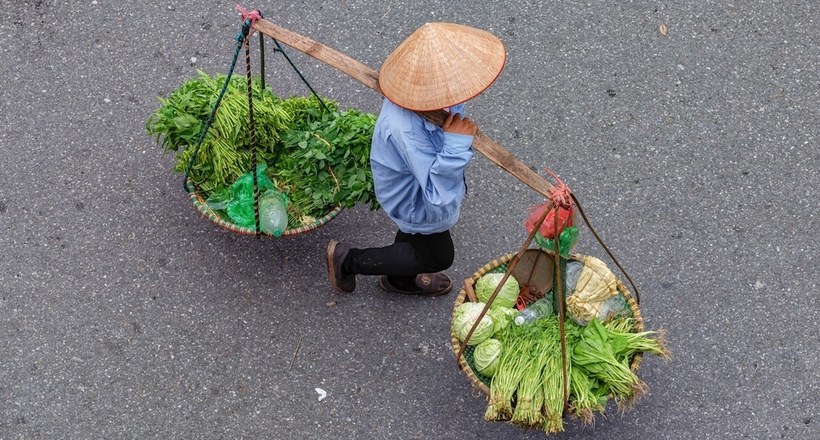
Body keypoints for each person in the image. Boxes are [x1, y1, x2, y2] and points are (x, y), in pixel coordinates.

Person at [326, 22, 506, 296]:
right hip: (416, 195)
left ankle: (399, 280)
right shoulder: (408, 129)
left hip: (414, 182)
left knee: (415, 240)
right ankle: (348, 261)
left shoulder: (434, 96)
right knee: (437, 257)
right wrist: (457, 144)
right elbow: (436, 193)